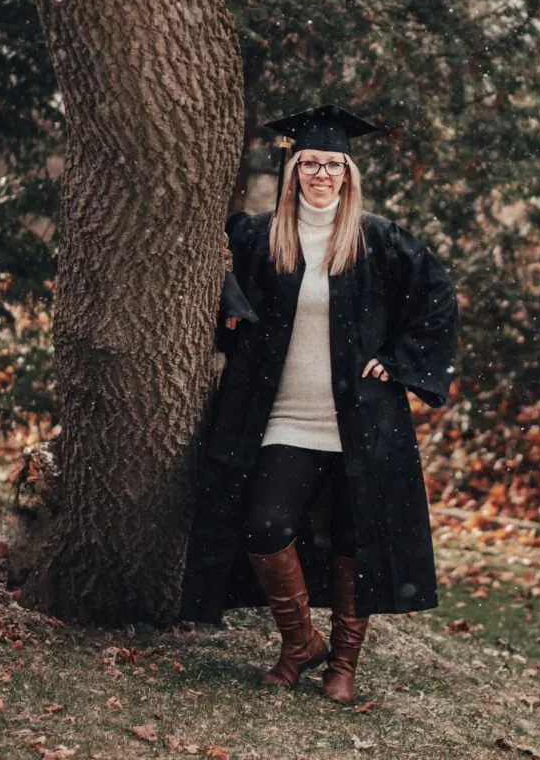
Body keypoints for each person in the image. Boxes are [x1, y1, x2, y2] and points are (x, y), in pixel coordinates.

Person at [181, 105, 457, 705]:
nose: (322, 174)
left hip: (361, 419)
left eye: (334, 164)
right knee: (262, 525)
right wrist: (232, 305)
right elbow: (204, 262)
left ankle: (344, 666)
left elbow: (439, 299)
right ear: (294, 168)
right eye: (311, 163)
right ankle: (300, 643)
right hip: (283, 415)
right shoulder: (257, 236)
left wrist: (402, 361)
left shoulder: (378, 240)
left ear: (349, 173)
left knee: (355, 542)